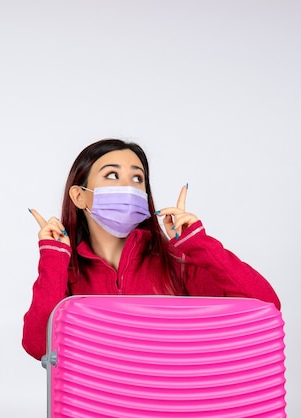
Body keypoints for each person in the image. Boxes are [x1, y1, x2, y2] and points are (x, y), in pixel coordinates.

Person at [22, 138, 281, 361]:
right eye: (112, 175)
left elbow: (265, 307)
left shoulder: (175, 262)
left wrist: (199, 244)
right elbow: (39, 347)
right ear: (79, 196)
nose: (129, 187)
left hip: (171, 403)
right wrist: (53, 260)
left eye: (138, 178)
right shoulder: (67, 271)